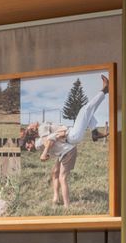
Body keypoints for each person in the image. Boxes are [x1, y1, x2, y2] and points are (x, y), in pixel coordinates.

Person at [36, 73, 110, 208]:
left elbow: (56, 142)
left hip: (71, 139)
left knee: (87, 114)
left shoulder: (50, 146)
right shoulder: (48, 140)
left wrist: (53, 142)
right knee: (85, 110)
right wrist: (49, 146)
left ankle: (94, 132)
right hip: (73, 136)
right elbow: (58, 136)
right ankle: (105, 90)